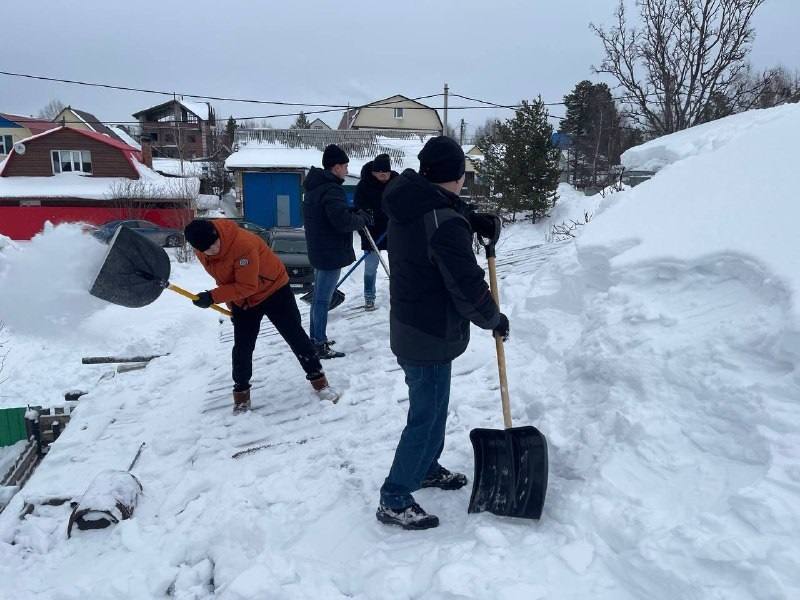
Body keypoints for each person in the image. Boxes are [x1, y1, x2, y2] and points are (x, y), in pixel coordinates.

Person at [376, 136, 509, 530]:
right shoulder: (442, 222)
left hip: (413, 323)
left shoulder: (409, 198)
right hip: (430, 332)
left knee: (433, 410)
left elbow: (440, 212)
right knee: (426, 416)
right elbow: (466, 286)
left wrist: (471, 218)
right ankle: (394, 497)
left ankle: (426, 467)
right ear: (458, 177)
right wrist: (493, 319)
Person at [184, 218, 339, 413]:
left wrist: (212, 297)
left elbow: (248, 285)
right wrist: (232, 306)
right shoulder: (203, 253)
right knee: (242, 346)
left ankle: (320, 382)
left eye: (214, 243)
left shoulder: (243, 244)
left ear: (217, 235)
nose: (213, 250)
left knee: (295, 336)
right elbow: (224, 280)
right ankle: (241, 395)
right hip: (244, 300)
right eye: (206, 248)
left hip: (274, 290)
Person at [302, 144, 372, 358]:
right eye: (345, 165)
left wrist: (350, 211)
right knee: (322, 299)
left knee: (319, 298)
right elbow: (341, 222)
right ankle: (319, 344)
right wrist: (363, 219)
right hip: (330, 252)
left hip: (319, 249)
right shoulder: (332, 189)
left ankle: (316, 338)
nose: (347, 170)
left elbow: (329, 215)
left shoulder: (315, 188)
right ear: (336, 167)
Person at [354, 153, 397, 311]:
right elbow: (357, 210)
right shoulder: (364, 186)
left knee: (397, 265)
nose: (384, 175)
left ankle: (398, 294)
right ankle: (369, 297)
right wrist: (363, 229)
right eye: (380, 173)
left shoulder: (396, 183)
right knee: (371, 267)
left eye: (386, 172)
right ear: (373, 172)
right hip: (371, 233)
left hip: (392, 230)